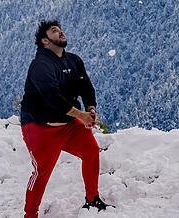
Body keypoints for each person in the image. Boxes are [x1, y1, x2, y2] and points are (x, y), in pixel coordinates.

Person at [19, 20, 111, 217]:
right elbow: (52, 98)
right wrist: (81, 115)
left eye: (60, 30)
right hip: (40, 126)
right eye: (54, 31)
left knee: (91, 152)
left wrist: (90, 108)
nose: (60, 32)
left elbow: (85, 86)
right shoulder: (40, 65)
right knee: (42, 172)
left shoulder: (74, 60)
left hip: (68, 124)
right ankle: (30, 214)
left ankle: (92, 199)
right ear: (45, 40)